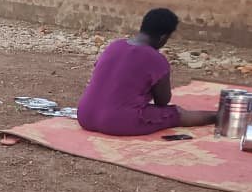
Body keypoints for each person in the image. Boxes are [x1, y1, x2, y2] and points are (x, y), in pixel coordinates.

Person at [78, 8, 216, 136]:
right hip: (117, 122)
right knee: (175, 113)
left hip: (84, 115)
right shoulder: (157, 59)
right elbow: (162, 101)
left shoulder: (114, 46)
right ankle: (219, 116)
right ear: (163, 38)